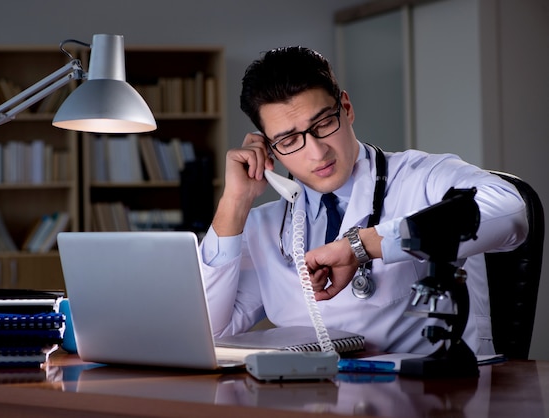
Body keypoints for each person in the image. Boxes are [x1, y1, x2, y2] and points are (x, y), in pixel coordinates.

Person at [199, 46, 528, 354]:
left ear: (346, 108)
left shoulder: (420, 177)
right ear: (271, 151)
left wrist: (362, 246)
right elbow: (209, 332)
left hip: (428, 400)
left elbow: (510, 211)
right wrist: (235, 203)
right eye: (288, 140)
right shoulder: (267, 228)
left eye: (324, 123)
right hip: (310, 401)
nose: (316, 151)